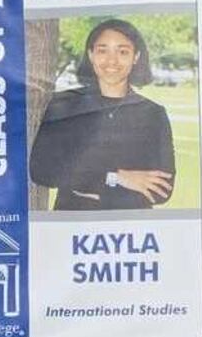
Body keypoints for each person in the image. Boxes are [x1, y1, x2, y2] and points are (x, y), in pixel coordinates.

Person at [28, 16, 180, 211]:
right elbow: (43, 171)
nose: (112, 60)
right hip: (73, 223)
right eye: (102, 50)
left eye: (122, 51)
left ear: (136, 57)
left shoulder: (153, 114)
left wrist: (82, 183)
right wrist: (117, 178)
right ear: (91, 55)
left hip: (133, 225)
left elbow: (161, 190)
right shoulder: (64, 104)